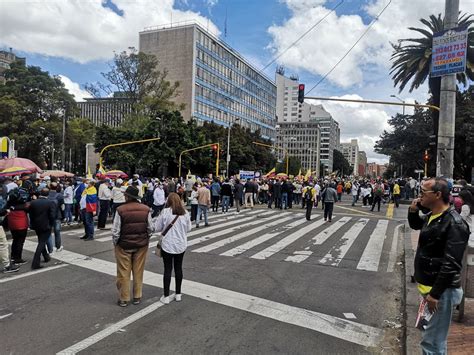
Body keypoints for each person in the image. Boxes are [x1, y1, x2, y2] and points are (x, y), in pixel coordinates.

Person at [408, 178, 469, 354]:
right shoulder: (432, 216)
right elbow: (416, 224)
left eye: (423, 192)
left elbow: (451, 263)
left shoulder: (455, 223)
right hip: (430, 289)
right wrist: (413, 211)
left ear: (437, 195)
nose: (419, 196)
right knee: (433, 336)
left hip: (441, 292)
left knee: (432, 343)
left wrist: (435, 295)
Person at [112, 186, 153, 307]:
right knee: (138, 271)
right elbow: (151, 228)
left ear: (128, 196)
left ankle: (124, 298)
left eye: (125, 195)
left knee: (123, 272)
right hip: (141, 245)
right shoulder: (146, 209)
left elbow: (115, 231)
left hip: (124, 245)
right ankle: (137, 296)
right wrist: (146, 238)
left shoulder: (120, 209)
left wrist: (116, 244)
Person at [154, 193, 191, 304]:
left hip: (168, 244)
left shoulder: (165, 212)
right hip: (180, 244)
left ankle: (166, 296)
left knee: (167, 269)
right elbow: (188, 228)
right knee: (178, 268)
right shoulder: (185, 213)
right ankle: (178, 294)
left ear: (168, 201)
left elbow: (157, 228)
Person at [28, 188, 56, 269]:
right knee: (42, 243)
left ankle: (46, 256)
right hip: (46, 225)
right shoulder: (50, 203)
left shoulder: (33, 202)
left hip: (36, 225)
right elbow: (52, 216)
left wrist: (32, 223)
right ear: (48, 194)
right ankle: (35, 262)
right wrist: (51, 224)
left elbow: (31, 214)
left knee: (41, 240)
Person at [6, 188, 30, 265]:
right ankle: (18, 258)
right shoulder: (24, 205)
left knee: (15, 240)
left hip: (12, 222)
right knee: (20, 241)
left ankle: (13, 257)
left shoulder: (10, 204)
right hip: (21, 223)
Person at [47, 182, 65, 253]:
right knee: (57, 232)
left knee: (48, 232)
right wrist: (63, 216)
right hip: (57, 215)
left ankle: (50, 249)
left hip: (48, 216)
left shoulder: (47, 194)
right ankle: (58, 246)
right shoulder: (60, 196)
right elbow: (63, 207)